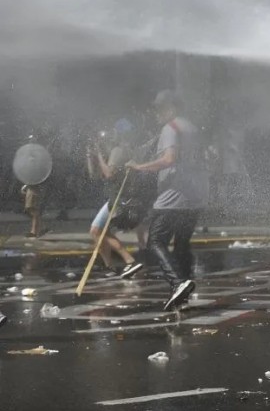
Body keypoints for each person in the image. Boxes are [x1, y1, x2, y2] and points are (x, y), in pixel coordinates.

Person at [128, 90, 209, 311]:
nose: (156, 113)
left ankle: (178, 283)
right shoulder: (192, 128)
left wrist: (139, 168)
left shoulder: (170, 128)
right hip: (196, 195)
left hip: (175, 196)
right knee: (182, 243)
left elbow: (169, 159)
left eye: (159, 109)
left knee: (156, 241)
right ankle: (185, 287)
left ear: (171, 108)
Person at [86, 119, 144, 279]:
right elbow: (94, 175)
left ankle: (129, 260)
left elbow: (109, 174)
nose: (111, 135)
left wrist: (99, 155)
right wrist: (92, 156)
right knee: (99, 231)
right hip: (121, 197)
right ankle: (109, 266)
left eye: (113, 132)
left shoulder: (119, 150)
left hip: (119, 199)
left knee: (96, 230)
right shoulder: (127, 150)